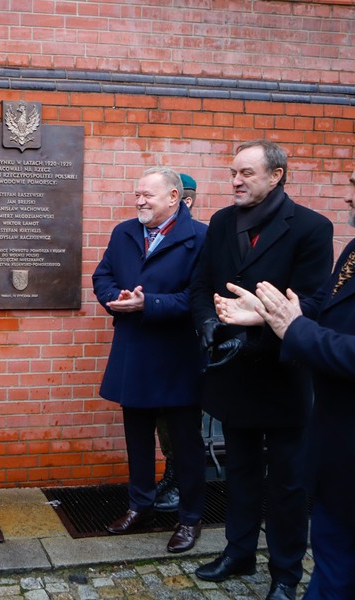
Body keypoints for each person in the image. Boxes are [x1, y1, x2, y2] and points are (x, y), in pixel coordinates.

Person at [215, 137, 355, 599]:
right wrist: (268, 317)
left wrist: (292, 328)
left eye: (354, 184)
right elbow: (326, 312)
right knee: (332, 581)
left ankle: (284, 572)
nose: (345, 193)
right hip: (344, 464)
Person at [189, 140, 333, 600]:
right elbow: (200, 286)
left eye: (246, 173)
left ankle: (286, 573)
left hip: (282, 377)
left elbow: (312, 302)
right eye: (233, 172)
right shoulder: (221, 222)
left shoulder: (311, 227)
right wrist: (210, 324)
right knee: (241, 472)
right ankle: (238, 552)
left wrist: (260, 324)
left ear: (276, 176)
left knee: (287, 483)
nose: (235, 181)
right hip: (232, 375)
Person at [93, 167, 208, 554]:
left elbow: (200, 298)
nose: (139, 201)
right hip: (135, 351)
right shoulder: (124, 232)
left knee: (184, 444)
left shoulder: (201, 237)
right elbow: (102, 275)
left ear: (174, 198)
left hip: (178, 355)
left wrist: (151, 303)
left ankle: (190, 519)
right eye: (137, 194)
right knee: (137, 438)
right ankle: (139, 506)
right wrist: (116, 297)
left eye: (148, 195)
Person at [151, 171, 200, 514]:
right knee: (162, 419)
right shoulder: (153, 235)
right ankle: (172, 474)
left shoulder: (198, 238)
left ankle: (184, 485)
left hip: (186, 346)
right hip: (157, 345)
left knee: (183, 424)